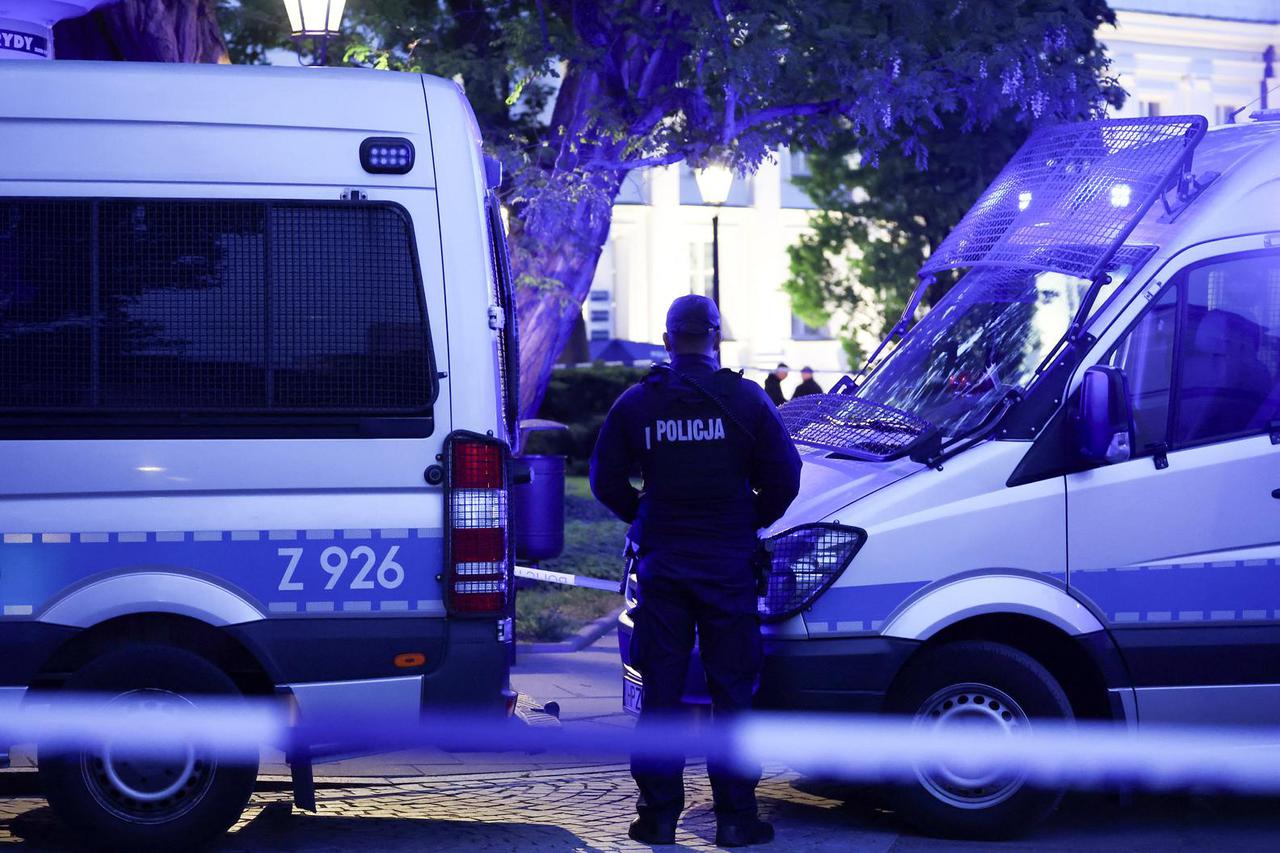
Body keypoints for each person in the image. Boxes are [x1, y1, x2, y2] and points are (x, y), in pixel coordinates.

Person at [590, 295, 802, 848]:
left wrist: (644, 513)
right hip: (728, 563)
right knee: (731, 690)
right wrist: (747, 518)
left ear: (667, 341)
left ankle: (656, 817)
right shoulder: (747, 399)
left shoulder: (638, 404)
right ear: (715, 339)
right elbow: (785, 478)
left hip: (663, 564)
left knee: (660, 691)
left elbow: (604, 479)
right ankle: (735, 819)